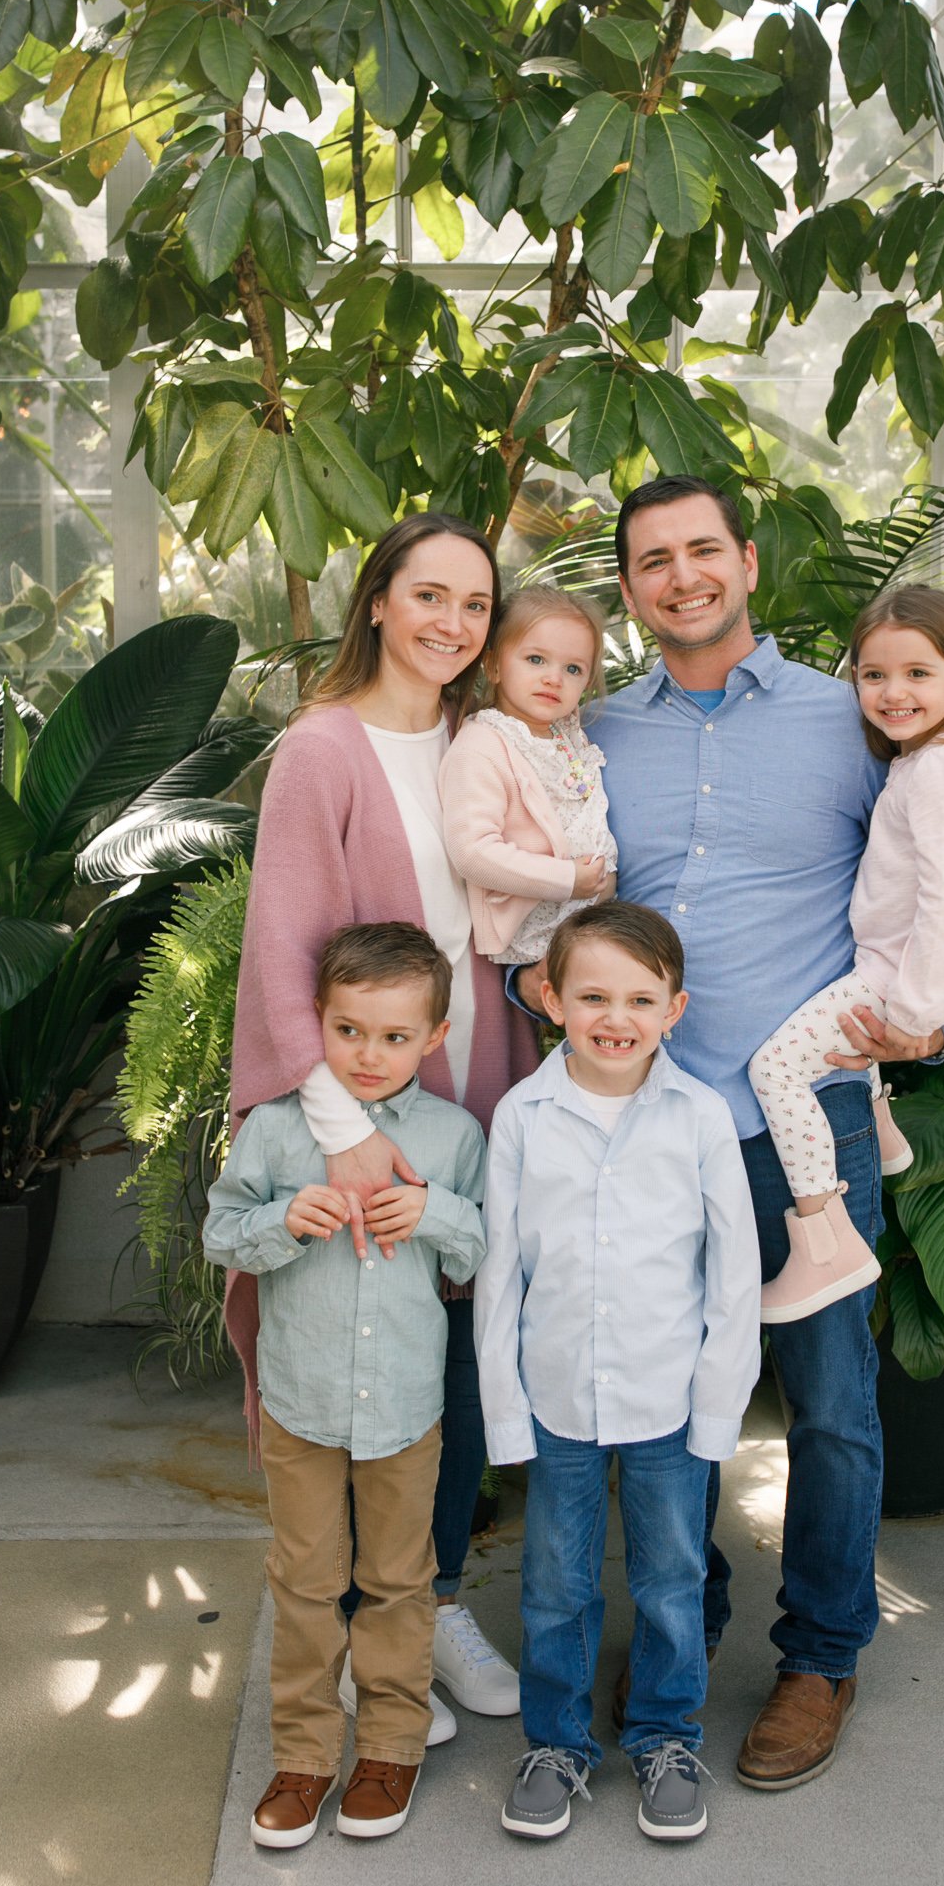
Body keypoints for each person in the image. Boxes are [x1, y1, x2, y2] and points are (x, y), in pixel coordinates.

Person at [513, 476, 944, 1792]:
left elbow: (937, 880)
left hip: (804, 1112)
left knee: (828, 1402)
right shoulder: (588, 735)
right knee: (660, 1397)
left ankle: (819, 1654)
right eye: (651, 560)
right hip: (645, 1122)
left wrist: (929, 1028)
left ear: (744, 562)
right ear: (628, 588)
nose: (680, 576)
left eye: (700, 550)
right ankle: (676, 1624)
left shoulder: (855, 721)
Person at [228, 513, 537, 1734]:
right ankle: (358, 1627)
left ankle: (427, 1604)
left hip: (477, 1093)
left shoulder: (482, 739)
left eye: (475, 603)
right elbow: (282, 951)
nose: (453, 622)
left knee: (446, 1359)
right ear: (376, 602)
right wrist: (341, 1128)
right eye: (429, 595)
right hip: (354, 1107)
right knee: (352, 1361)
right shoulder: (323, 747)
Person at [475, 903, 760, 1846]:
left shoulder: (701, 1117)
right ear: (551, 998)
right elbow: (500, 1276)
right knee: (556, 1580)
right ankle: (555, 1744)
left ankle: (666, 1736)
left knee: (672, 1577)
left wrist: (718, 1414)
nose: (615, 1016)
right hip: (557, 1397)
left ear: (676, 1009)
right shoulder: (522, 1116)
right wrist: (505, 1415)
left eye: (640, 998)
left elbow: (731, 1279)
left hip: (668, 1402)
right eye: (592, 994)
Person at [205, 924, 486, 1848]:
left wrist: (435, 1211)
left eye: (396, 1037)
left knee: (401, 1581)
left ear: (434, 1038)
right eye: (349, 1030)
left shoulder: (452, 1135)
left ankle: (392, 1745)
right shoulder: (280, 1127)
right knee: (304, 1582)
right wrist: (284, 1219)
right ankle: (303, 1755)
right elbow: (222, 1231)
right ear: (317, 1024)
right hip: (303, 1402)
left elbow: (484, 1246)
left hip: (405, 1407)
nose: (369, 1056)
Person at [749, 586, 944, 1322]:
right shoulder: (943, 757)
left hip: (896, 975)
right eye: (873, 675)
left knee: (773, 1070)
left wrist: (913, 1013)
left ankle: (822, 1242)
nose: (891, 692)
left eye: (916, 674)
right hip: (889, 963)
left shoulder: (937, 769)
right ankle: (887, 1135)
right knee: (825, 1040)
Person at [438, 584, 618, 965]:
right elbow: (472, 853)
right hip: (539, 937)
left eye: (573, 669)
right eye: (536, 659)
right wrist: (567, 880)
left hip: (592, 923)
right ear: (494, 666)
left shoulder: (565, 735)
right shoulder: (483, 745)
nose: (554, 678)